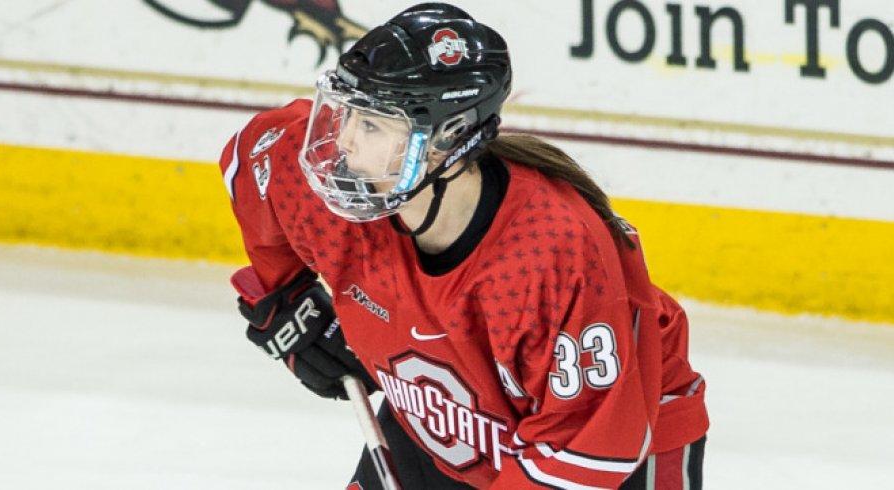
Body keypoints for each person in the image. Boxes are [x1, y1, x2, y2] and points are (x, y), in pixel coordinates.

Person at [219, 3, 709, 489]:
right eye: (346, 113)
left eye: (371, 125)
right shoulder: (336, 190)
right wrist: (285, 295)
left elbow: (586, 449)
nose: (343, 142)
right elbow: (254, 160)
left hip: (615, 447)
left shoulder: (549, 255)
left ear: (447, 139)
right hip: (446, 421)